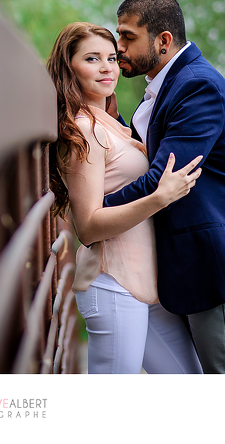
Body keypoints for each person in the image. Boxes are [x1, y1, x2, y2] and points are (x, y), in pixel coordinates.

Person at [106, 0, 225, 373]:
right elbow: (154, 158)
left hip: (215, 267)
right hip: (186, 269)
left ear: (163, 41)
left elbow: (162, 177)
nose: (119, 48)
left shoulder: (197, 86)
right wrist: (115, 125)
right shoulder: (165, 86)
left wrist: (94, 213)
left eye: (128, 36)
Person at [47, 22, 204, 374]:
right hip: (113, 284)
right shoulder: (84, 131)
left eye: (112, 58)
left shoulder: (112, 123)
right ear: (69, 67)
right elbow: (87, 227)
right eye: (92, 59)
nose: (107, 68)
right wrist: (159, 198)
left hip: (147, 285)